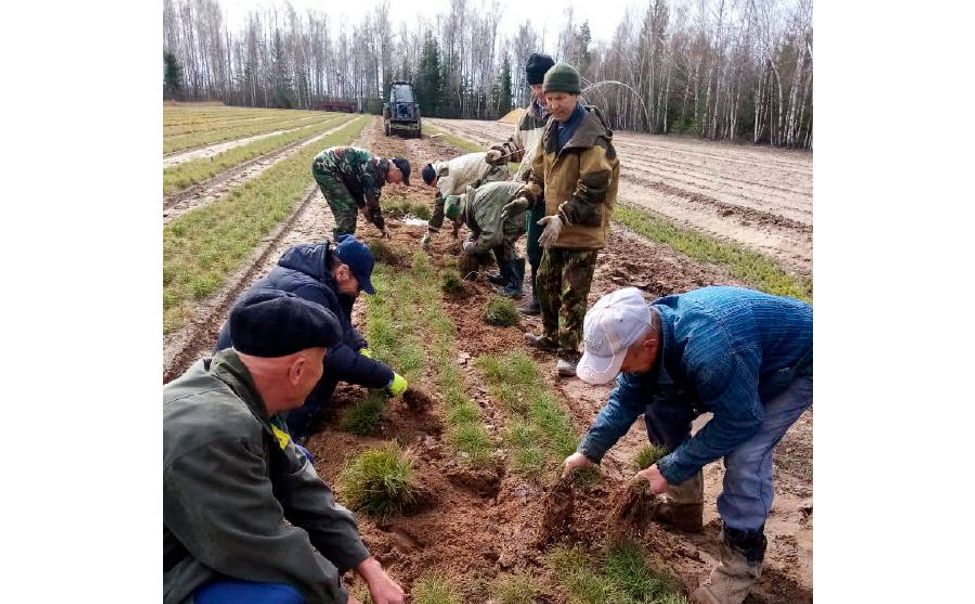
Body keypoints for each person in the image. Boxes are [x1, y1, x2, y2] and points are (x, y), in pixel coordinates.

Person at [561, 286, 813, 604]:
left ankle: (739, 570)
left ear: (649, 345)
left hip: (796, 361)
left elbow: (740, 420)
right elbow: (627, 396)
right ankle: (686, 508)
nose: (621, 373)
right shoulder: (649, 333)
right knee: (661, 409)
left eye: (621, 365)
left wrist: (669, 469)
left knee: (746, 452)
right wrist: (588, 451)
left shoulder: (711, 351)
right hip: (743, 356)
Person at [165, 290, 405, 604]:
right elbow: (259, 543)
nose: (322, 373)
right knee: (283, 597)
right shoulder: (218, 433)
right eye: (321, 362)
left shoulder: (239, 386)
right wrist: (339, 598)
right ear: (297, 370)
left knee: (299, 458)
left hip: (185, 532)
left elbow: (296, 480)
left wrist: (367, 565)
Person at [214, 235, 408, 442]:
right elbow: (332, 354)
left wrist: (358, 345)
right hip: (245, 378)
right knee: (319, 366)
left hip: (257, 357)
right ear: (343, 272)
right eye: (359, 286)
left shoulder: (319, 277)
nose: (357, 293)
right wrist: (385, 376)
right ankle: (291, 436)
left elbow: (336, 322)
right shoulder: (307, 290)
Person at [512, 62, 619, 377]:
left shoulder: (591, 136)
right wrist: (527, 197)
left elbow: (593, 190)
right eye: (549, 98)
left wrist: (561, 217)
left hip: (582, 229)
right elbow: (538, 174)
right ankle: (551, 337)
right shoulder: (551, 128)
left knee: (573, 293)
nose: (554, 104)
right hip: (555, 228)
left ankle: (570, 353)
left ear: (575, 96)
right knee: (545, 282)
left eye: (560, 97)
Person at [486, 52, 554, 315]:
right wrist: (500, 152)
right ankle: (538, 299)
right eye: (534, 86)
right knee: (535, 246)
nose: (538, 92)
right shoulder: (528, 117)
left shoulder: (561, 113)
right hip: (534, 192)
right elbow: (518, 147)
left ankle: (553, 302)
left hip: (558, 191)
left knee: (556, 250)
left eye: (542, 85)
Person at [445, 181, 528, 297]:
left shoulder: (479, 206)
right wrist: (472, 237)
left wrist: (474, 248)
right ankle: (505, 277)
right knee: (499, 241)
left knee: (504, 242)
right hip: (514, 208)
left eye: (460, 219)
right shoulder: (473, 201)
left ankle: (515, 286)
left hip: (521, 209)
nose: (461, 221)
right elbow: (483, 225)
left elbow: (492, 237)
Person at [312, 145, 411, 239]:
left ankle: (345, 240)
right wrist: (382, 227)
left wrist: (363, 207)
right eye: (400, 179)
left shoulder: (379, 167)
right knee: (347, 208)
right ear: (397, 170)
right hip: (326, 166)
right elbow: (373, 205)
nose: (398, 183)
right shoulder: (375, 171)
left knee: (350, 204)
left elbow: (355, 186)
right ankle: (342, 243)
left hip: (331, 166)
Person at [419, 151, 510, 249]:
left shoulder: (444, 178)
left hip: (493, 170)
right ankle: (480, 238)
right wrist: (456, 228)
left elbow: (440, 207)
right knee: (473, 203)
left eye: (432, 185)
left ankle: (485, 243)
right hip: (491, 167)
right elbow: (459, 204)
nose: (435, 187)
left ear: (433, 179)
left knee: (481, 206)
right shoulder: (442, 169)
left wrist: (429, 234)